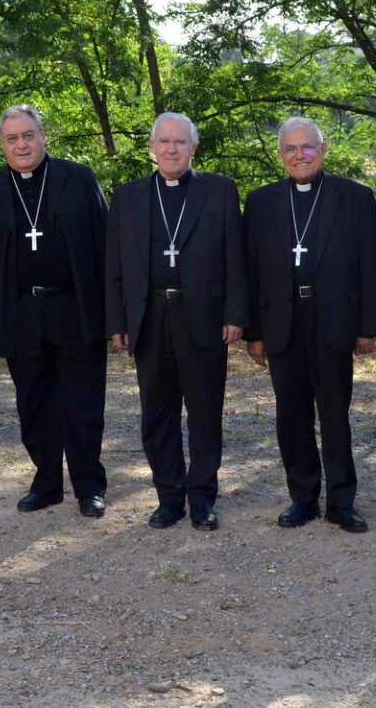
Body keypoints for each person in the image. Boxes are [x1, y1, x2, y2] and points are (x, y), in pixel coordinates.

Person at [106, 112, 247, 531]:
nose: (171, 149)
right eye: (164, 142)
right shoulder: (128, 196)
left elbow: (236, 256)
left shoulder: (219, 190)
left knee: (205, 412)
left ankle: (202, 498)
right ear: (152, 147)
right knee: (157, 414)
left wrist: (235, 314)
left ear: (193, 148)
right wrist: (117, 319)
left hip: (202, 316)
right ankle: (169, 497)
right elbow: (113, 265)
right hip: (149, 317)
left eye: (180, 142)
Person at [0, 105, 110, 518]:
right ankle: (46, 482)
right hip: (20, 311)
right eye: (12, 139)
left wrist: (113, 315)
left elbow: (106, 248)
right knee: (33, 403)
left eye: (28, 135)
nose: (21, 144)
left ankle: (89, 486)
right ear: (2, 144)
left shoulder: (77, 178)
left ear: (44, 136)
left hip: (75, 307)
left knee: (83, 403)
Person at [244, 117, 376, 533]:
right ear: (280, 154)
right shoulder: (262, 201)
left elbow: (370, 266)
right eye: (290, 148)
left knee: (336, 413)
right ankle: (302, 498)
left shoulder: (355, 196)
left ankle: (342, 501)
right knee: (292, 414)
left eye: (307, 147)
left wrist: (367, 328)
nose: (299, 155)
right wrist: (254, 332)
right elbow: (250, 269)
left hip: (334, 319)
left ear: (323, 150)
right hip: (282, 321)